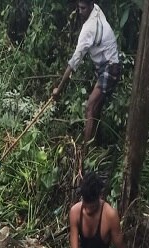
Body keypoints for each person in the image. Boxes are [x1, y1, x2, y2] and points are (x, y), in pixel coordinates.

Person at [52, 0, 121, 145]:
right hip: (105, 66)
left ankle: (85, 154)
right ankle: (96, 144)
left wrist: (59, 89)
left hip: (109, 67)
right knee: (95, 110)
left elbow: (74, 62)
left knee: (90, 107)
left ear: (91, 6)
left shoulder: (88, 29)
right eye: (79, 8)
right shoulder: (96, 9)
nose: (81, 11)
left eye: (83, 8)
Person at [68, 172, 123, 248]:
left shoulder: (110, 215)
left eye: (92, 207)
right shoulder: (75, 212)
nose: (88, 210)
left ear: (99, 197)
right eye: (86, 205)